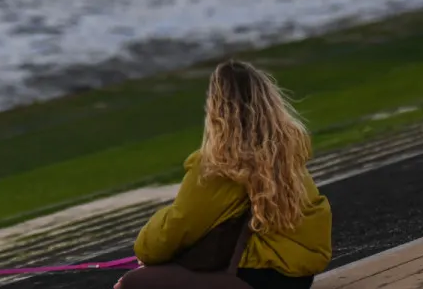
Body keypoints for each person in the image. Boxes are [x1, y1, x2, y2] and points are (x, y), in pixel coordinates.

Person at [120, 60, 331, 289]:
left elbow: (174, 228)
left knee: (133, 283)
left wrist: (143, 248)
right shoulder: (286, 152)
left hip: (255, 279)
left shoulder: (221, 164)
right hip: (297, 279)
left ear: (216, 111)